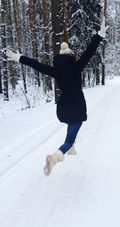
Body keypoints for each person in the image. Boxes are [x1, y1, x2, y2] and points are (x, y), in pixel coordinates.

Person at [6, 17, 109, 176]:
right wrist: (100, 34)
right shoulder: (76, 67)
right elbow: (90, 51)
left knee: (71, 126)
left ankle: (72, 148)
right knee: (69, 138)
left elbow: (37, 65)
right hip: (77, 106)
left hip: (63, 109)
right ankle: (55, 158)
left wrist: (20, 58)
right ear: (71, 56)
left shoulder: (56, 71)